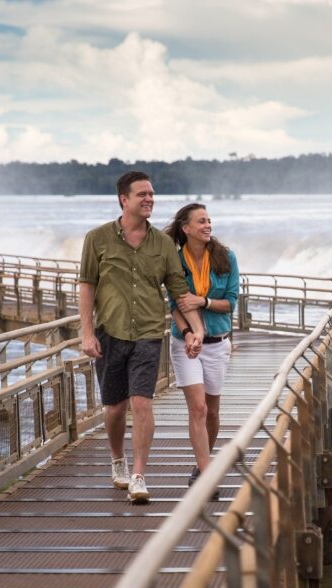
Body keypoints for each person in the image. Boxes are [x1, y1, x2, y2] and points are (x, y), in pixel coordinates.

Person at [78, 171, 204, 504]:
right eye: (142, 195)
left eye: (152, 194)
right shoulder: (97, 239)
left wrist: (195, 330)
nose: (149, 199)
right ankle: (117, 460)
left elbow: (179, 291)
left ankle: (138, 475)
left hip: (148, 333)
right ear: (124, 199)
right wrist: (87, 332)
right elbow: (87, 285)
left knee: (141, 403)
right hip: (110, 332)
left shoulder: (163, 244)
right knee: (115, 408)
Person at [165, 203, 240, 499]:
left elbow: (230, 302)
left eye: (209, 221)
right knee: (198, 408)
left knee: (212, 413)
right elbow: (176, 305)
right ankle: (207, 474)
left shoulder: (226, 257)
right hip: (185, 344)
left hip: (218, 343)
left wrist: (203, 302)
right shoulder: (175, 261)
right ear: (186, 229)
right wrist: (188, 333)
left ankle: (200, 466)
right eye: (201, 221)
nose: (207, 225)